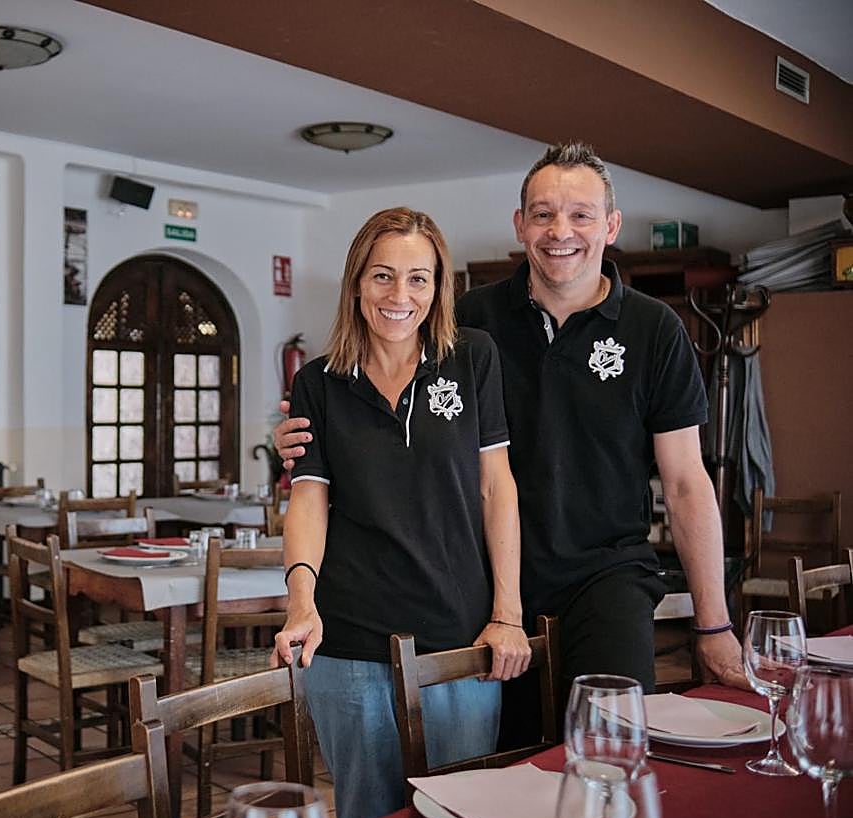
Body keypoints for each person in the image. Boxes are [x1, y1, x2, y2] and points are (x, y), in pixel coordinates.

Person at [275, 143, 746, 705]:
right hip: (486, 582)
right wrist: (307, 438)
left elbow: (687, 481)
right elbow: (382, 409)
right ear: (520, 225)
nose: (559, 231)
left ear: (611, 225)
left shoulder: (655, 330)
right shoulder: (470, 321)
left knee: (613, 741)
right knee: (504, 775)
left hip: (605, 574)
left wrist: (713, 625)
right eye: (543, 214)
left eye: (580, 215)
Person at [269, 207, 531, 818]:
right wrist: (301, 603)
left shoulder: (474, 359)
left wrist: (508, 614)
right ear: (356, 282)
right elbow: (308, 501)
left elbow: (497, 487)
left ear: (439, 288)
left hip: (458, 636)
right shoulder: (319, 384)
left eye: (419, 278)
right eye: (383, 276)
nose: (400, 295)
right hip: (349, 642)